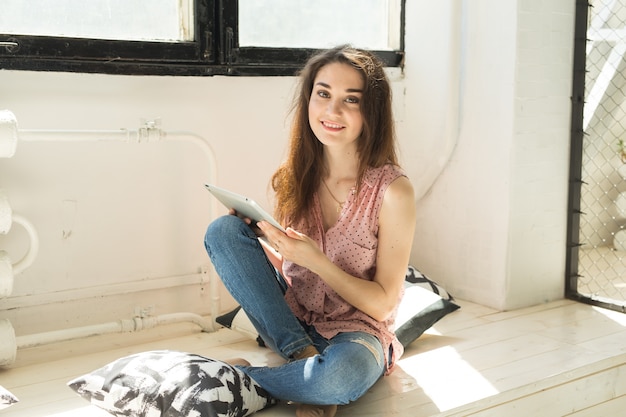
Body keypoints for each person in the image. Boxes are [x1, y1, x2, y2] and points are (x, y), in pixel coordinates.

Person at [204, 45, 416, 417]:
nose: (332, 111)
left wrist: (316, 261)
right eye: (323, 94)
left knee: (337, 380)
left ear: (372, 111)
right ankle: (304, 360)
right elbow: (293, 269)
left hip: (358, 334)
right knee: (223, 230)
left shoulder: (393, 191)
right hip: (293, 322)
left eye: (351, 99)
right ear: (308, 99)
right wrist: (274, 242)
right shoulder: (294, 176)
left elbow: (383, 303)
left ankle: (242, 377)